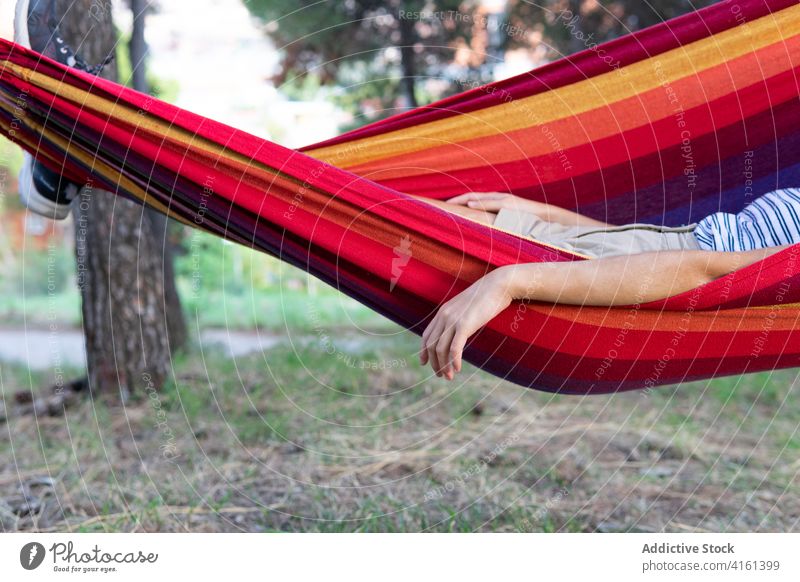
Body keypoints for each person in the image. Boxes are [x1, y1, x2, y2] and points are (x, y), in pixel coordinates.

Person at [419, 191, 798, 380]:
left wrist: (509, 281)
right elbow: (658, 242)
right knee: (395, 211)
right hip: (635, 254)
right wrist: (550, 215)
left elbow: (712, 273)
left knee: (411, 226)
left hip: (638, 276)